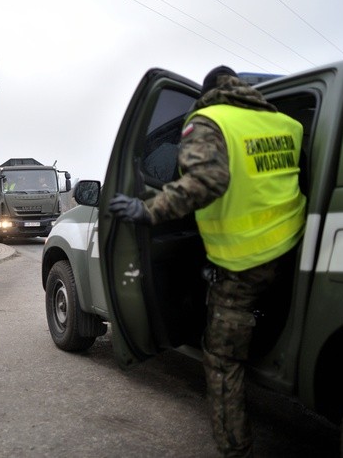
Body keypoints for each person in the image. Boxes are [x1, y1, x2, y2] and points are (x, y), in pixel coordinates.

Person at [109, 66, 306, 457]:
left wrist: (148, 210)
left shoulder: (209, 119)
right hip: (290, 246)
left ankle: (235, 447)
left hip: (242, 261)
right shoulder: (287, 124)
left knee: (222, 359)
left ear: (208, 91)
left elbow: (206, 181)